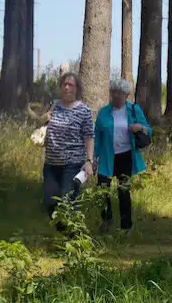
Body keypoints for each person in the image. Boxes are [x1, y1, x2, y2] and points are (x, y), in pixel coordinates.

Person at [94, 79, 151, 234]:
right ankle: (106, 221)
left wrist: (138, 127)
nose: (117, 95)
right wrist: (93, 157)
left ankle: (126, 226)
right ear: (110, 94)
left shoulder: (134, 110)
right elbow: (97, 136)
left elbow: (148, 130)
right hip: (106, 156)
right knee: (102, 190)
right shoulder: (104, 112)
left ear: (127, 95)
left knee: (123, 191)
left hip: (125, 156)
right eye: (114, 92)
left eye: (121, 93)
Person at [43, 72, 95, 231]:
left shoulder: (84, 110)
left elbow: (89, 137)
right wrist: (43, 120)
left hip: (72, 164)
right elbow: (42, 124)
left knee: (67, 201)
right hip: (51, 164)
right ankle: (67, 235)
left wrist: (89, 161)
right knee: (50, 202)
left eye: (70, 85)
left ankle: (76, 239)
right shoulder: (54, 105)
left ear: (77, 88)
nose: (67, 88)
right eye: (64, 84)